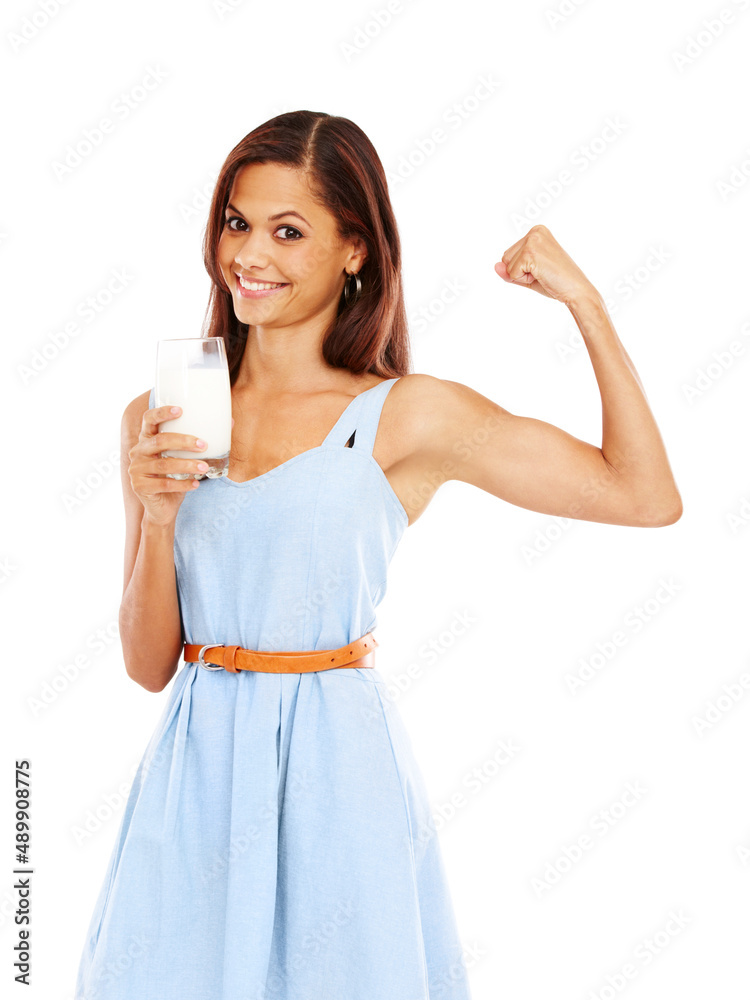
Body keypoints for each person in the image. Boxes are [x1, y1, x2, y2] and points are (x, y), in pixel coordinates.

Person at [74, 110, 682, 1000]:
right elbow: (147, 666)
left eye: (289, 231)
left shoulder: (406, 416)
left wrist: (587, 303)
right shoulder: (158, 417)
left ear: (354, 249)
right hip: (195, 781)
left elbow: (643, 495)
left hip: (337, 775)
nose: (250, 254)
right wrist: (160, 517)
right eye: (238, 222)